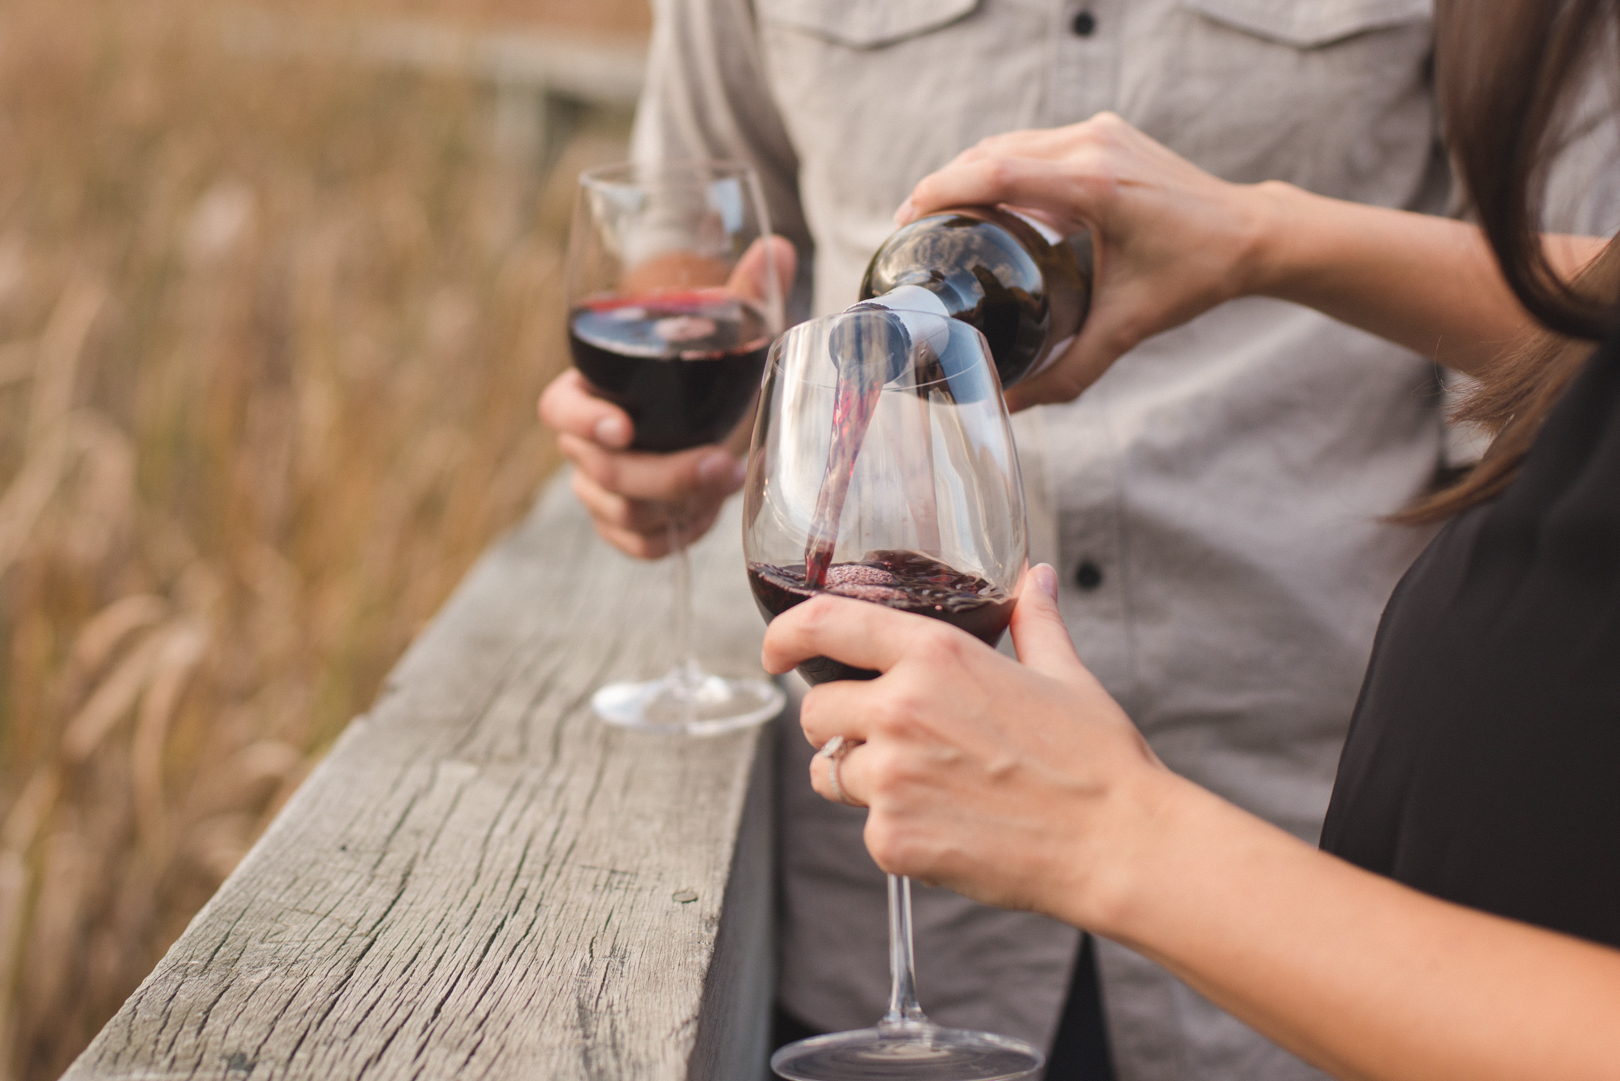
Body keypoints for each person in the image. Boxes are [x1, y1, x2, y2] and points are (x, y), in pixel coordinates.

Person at [538, 2, 1620, 1077]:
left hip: (1310, 865)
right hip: (877, 881)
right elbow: (708, 252)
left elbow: (1588, 341)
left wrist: (1261, 233)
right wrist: (682, 450)